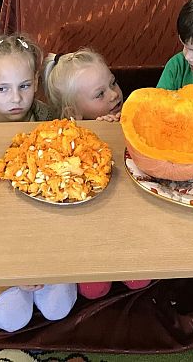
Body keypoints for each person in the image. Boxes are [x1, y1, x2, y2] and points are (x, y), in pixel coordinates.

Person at [0, 35, 77, 331]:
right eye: (3, 89)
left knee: (59, 307)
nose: (15, 98)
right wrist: (10, 266)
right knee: (13, 317)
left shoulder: (48, 118)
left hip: (44, 227)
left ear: (36, 83)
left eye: (24, 86)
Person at [44, 48, 150, 299]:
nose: (114, 94)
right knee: (93, 288)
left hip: (127, 221)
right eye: (100, 94)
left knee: (139, 275)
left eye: (112, 83)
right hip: (87, 228)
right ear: (73, 114)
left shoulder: (129, 113)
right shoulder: (63, 141)